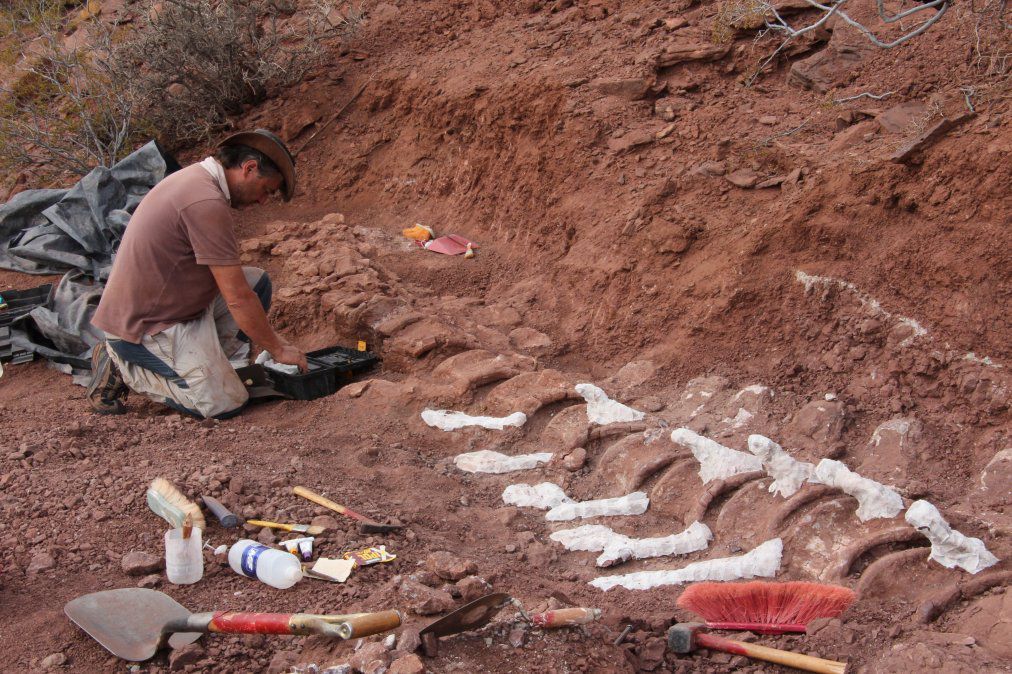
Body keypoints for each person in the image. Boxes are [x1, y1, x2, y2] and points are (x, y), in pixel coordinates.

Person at [87, 129, 307, 418]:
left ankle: (216, 369)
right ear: (249, 168)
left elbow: (241, 288)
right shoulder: (205, 201)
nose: (264, 201)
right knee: (225, 403)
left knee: (258, 282)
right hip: (146, 325)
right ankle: (120, 364)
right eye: (266, 190)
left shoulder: (199, 181)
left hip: (173, 304)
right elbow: (237, 298)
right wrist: (278, 349)